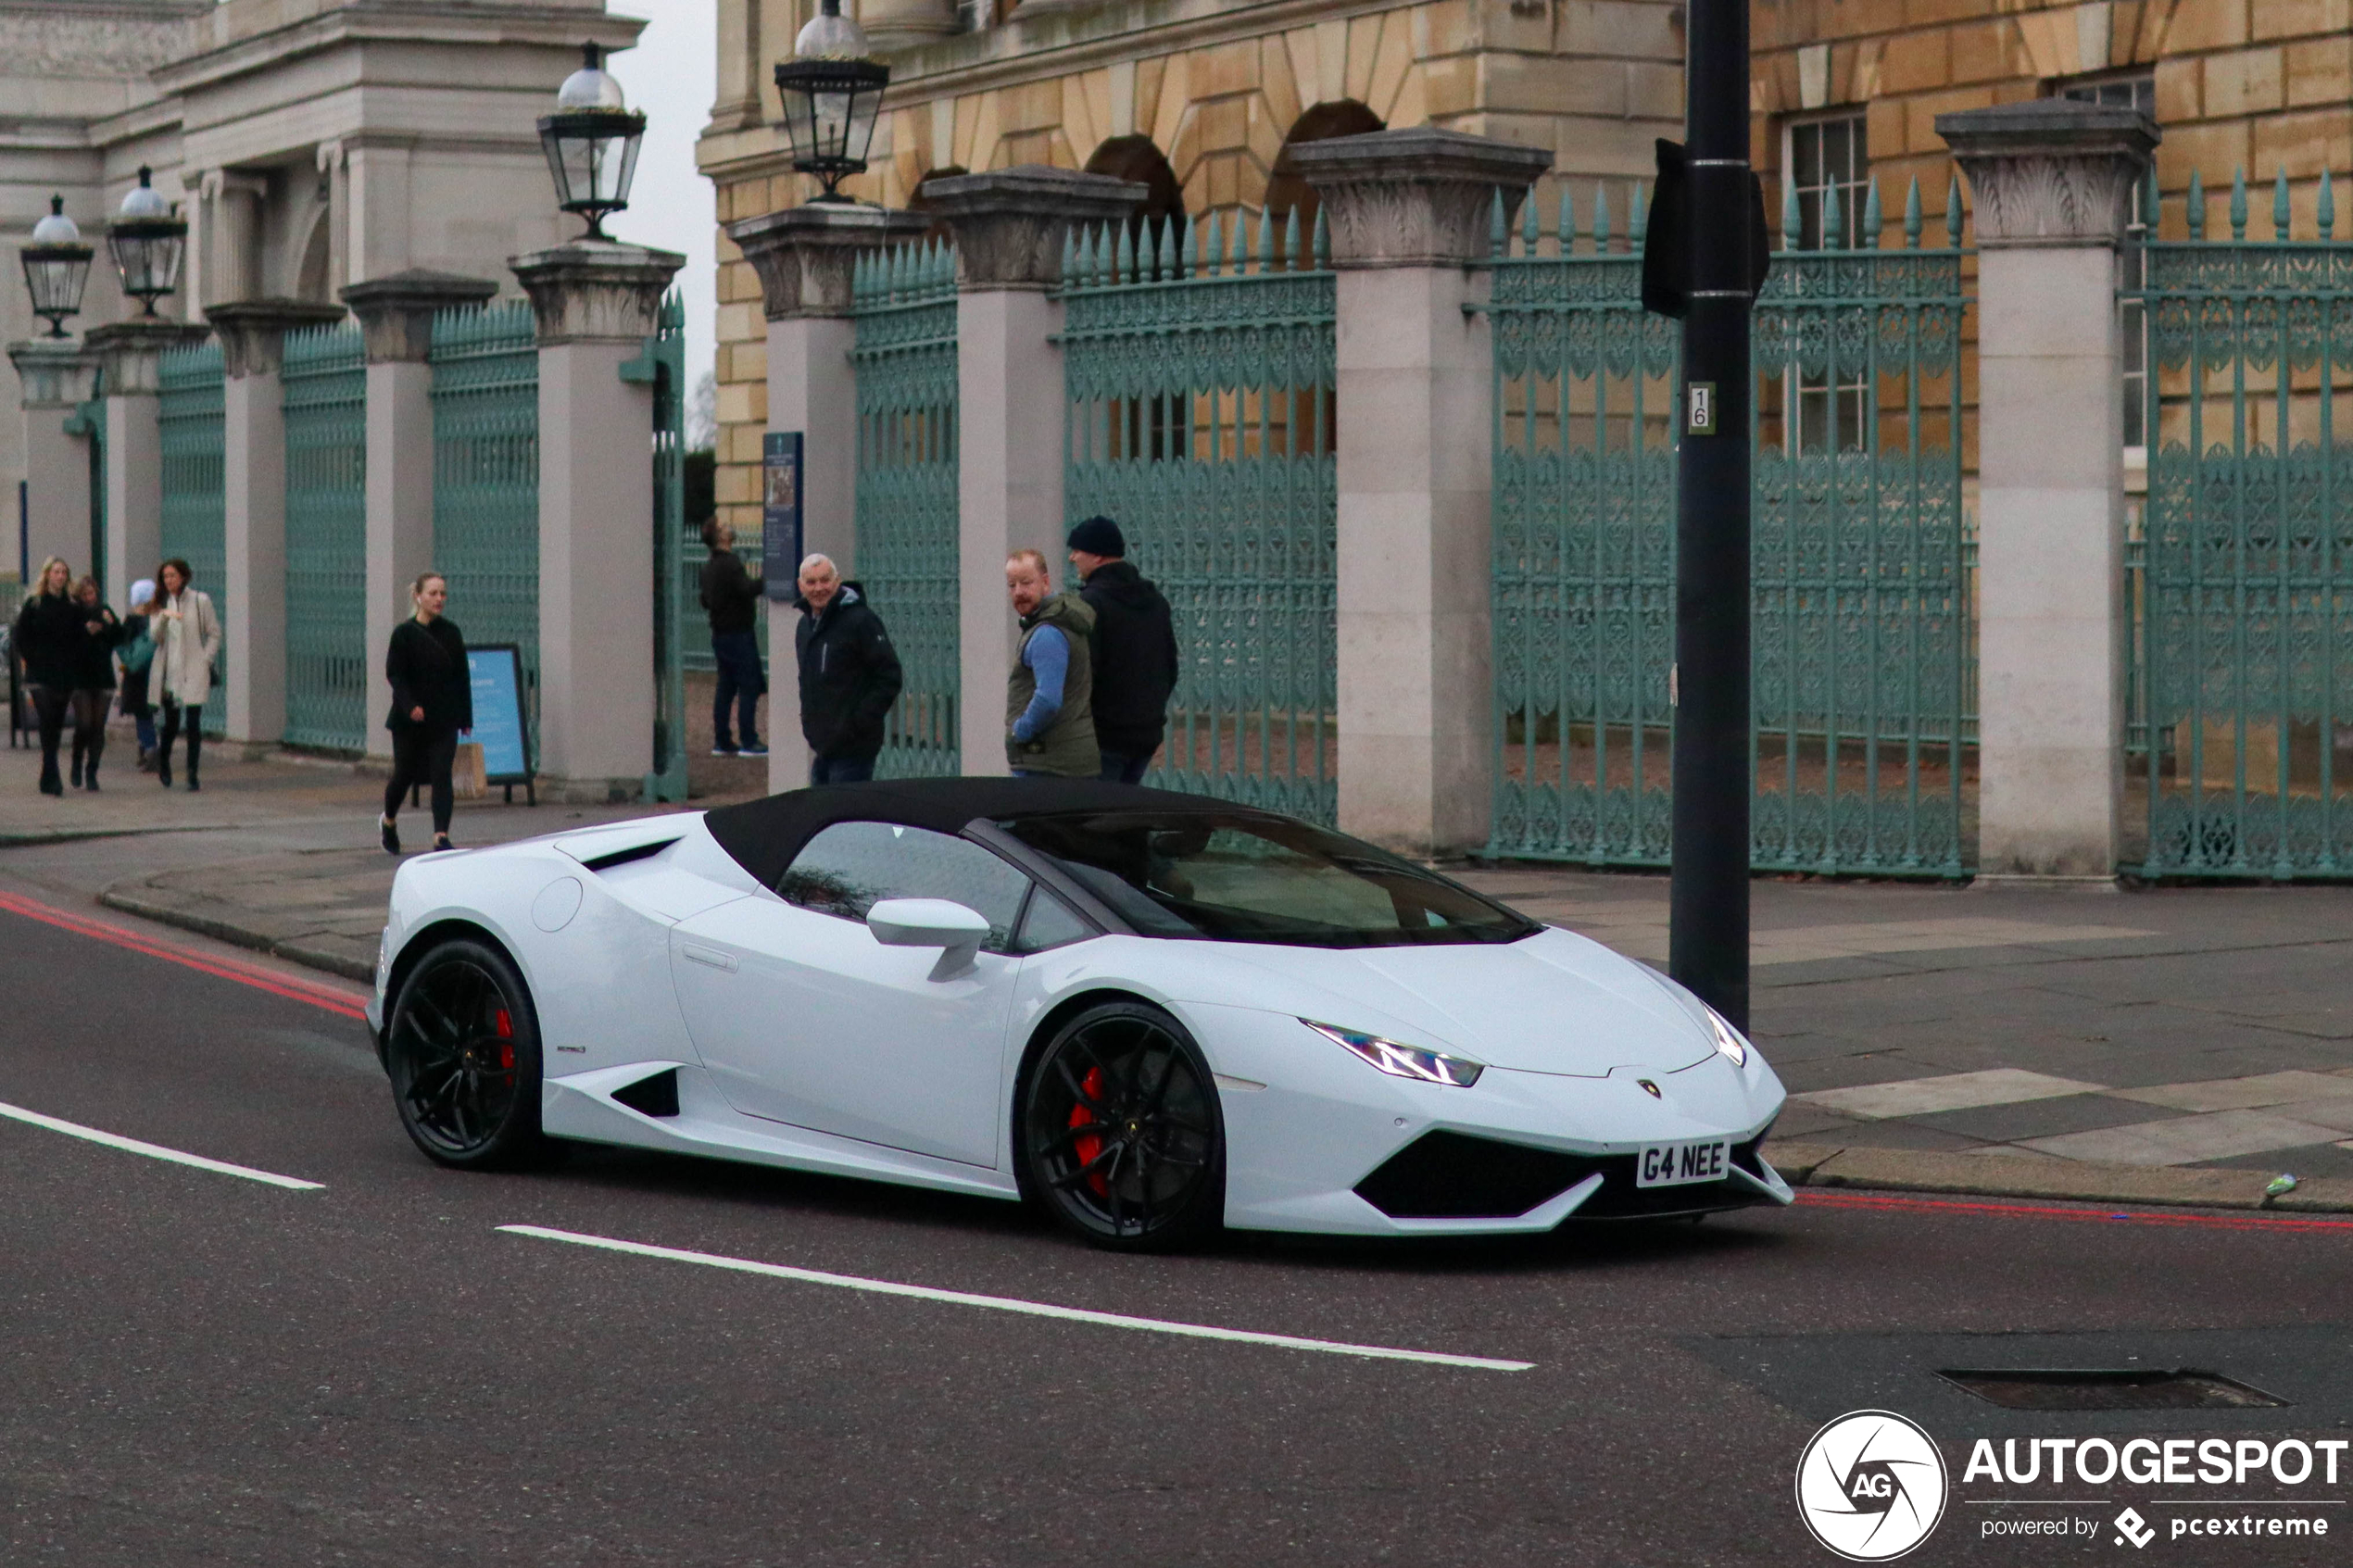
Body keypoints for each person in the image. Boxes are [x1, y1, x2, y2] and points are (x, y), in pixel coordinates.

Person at [1066, 516, 1179, 784]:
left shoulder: (1092, 603)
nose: (1072, 558)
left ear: (1097, 556)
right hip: (1145, 735)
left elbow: (1083, 674)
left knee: (1093, 819)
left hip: (1103, 739)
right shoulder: (1155, 601)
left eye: (1077, 550)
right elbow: (1170, 667)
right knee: (1123, 817)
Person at [381, 571, 472, 855]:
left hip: (443, 717)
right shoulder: (404, 634)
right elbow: (395, 675)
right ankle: (389, 820)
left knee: (441, 773)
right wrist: (410, 706)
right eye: (433, 593)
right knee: (404, 774)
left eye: (442, 594)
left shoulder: (451, 632)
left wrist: (466, 718)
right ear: (418, 596)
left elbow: (461, 677)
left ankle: (440, 836)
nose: (439, 599)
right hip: (409, 721)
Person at [792, 553, 902, 785]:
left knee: (845, 815)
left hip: (854, 749)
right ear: (801, 586)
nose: (818, 588)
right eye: (811, 582)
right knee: (822, 814)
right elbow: (807, 680)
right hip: (823, 747)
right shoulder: (805, 627)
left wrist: (858, 723)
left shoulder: (860, 621)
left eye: (825, 580)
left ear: (837, 581)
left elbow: (889, 676)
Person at [1003, 548, 1099, 778]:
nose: (1018, 592)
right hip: (1064, 758)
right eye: (1012, 585)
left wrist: (1019, 733)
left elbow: (1048, 700)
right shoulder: (1058, 622)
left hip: (1047, 763)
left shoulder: (1047, 633)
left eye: (1026, 583)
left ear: (1045, 582)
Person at [10, 557, 81, 797]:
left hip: (64, 672)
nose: (60, 576)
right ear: (47, 575)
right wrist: (32, 657)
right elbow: (20, 636)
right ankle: (54, 775)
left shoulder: (72, 605)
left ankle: (47, 771)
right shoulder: (35, 603)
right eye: (56, 572)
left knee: (56, 722)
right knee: (46, 716)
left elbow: (78, 638)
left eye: (64, 572)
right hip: (39, 672)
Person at [698, 521, 767, 757]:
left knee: (726, 687)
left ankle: (723, 740)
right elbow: (747, 589)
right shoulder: (731, 564)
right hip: (739, 632)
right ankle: (749, 740)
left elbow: (705, 600)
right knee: (749, 685)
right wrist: (767, 580)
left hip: (720, 633)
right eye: (724, 527)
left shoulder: (708, 567)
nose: (729, 527)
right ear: (721, 538)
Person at [150, 557, 220, 791]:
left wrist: (205, 658)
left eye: (172, 576)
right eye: (165, 577)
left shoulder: (200, 601)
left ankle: (192, 772)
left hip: (194, 670)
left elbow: (214, 633)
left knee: (193, 723)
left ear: (183, 576)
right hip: (171, 672)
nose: (169, 580)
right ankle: (165, 761)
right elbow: (155, 638)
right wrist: (163, 618)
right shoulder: (160, 603)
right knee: (170, 724)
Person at [66, 575, 121, 791]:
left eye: (93, 593)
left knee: (99, 725)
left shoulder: (104, 610)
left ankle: (92, 770)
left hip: (102, 674)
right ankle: (77, 760)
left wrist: (109, 625)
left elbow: (119, 637)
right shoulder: (74, 614)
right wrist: (85, 632)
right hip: (80, 675)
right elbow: (68, 641)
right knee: (84, 723)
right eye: (85, 594)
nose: (90, 598)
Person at [118, 578, 158, 770]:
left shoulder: (131, 622)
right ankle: (147, 746)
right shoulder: (154, 621)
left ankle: (147, 746)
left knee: (142, 714)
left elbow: (124, 649)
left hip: (136, 676)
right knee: (146, 713)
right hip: (152, 673)